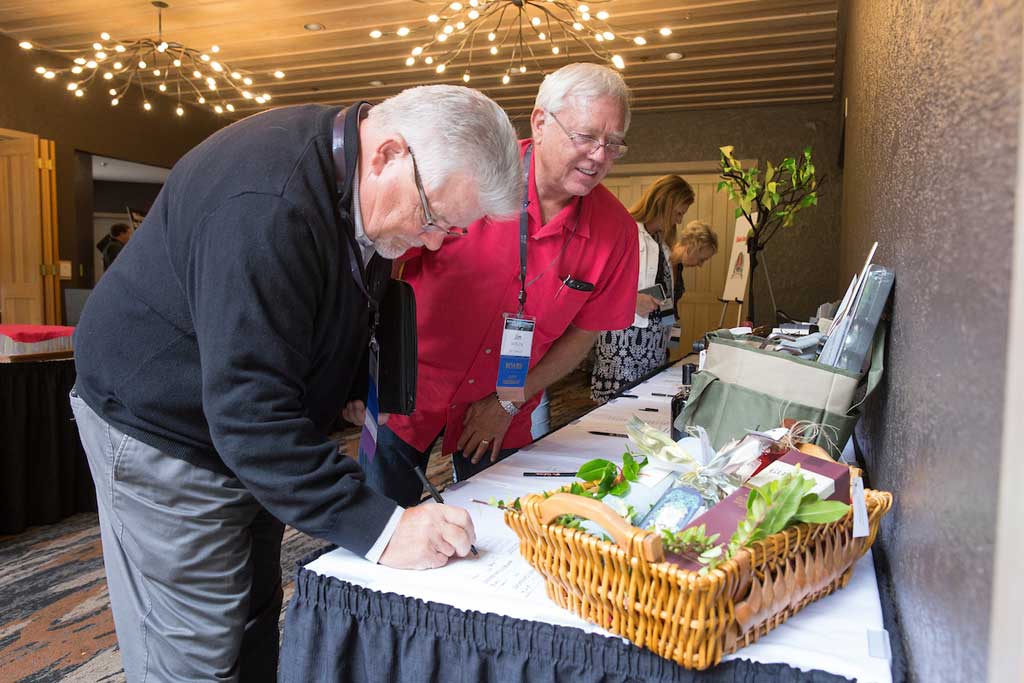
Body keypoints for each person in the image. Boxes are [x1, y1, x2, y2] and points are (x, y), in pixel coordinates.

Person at [69, 85, 522, 682]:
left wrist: (350, 381)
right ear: (388, 154)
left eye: (452, 231)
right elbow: (247, 413)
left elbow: (328, 301)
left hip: (243, 426)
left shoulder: (366, 185)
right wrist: (385, 529)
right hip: (164, 426)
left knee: (253, 619)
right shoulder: (266, 201)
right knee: (195, 652)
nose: (434, 241)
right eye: (434, 218)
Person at [363, 63, 640, 508]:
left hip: (506, 409)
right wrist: (368, 372)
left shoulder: (618, 232)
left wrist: (509, 400)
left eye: (613, 144)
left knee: (496, 533)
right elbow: (385, 268)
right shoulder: (465, 175)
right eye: (586, 136)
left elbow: (584, 332)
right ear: (540, 121)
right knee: (377, 529)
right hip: (406, 398)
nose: (598, 156)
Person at [591, 201, 718, 402]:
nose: (701, 265)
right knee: (619, 400)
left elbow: (669, 307)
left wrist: (670, 342)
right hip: (627, 341)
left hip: (654, 345)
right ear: (694, 246)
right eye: (702, 258)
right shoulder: (654, 251)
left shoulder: (675, 266)